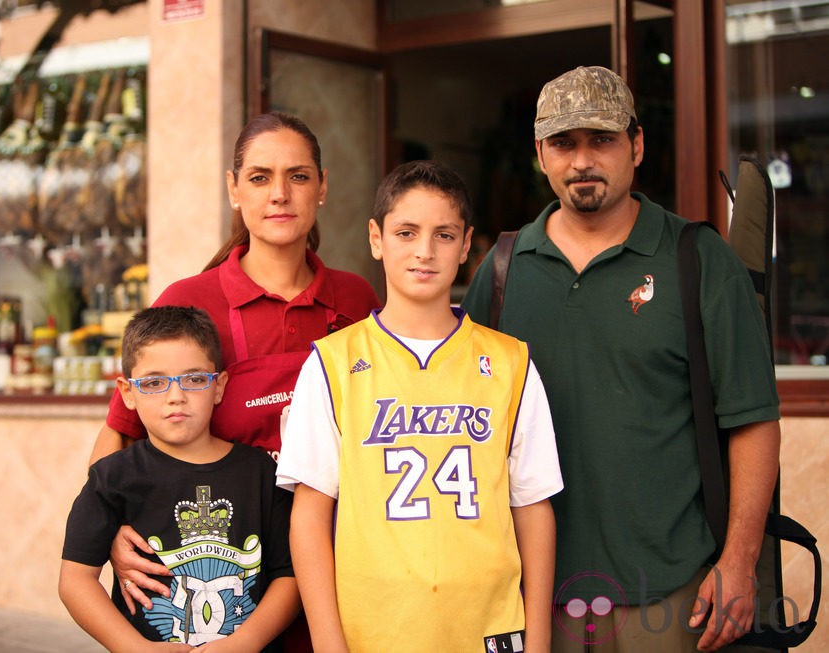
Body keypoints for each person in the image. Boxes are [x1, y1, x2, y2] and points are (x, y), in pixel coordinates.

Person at [461, 66, 781, 653]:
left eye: (601, 140)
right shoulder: (503, 272)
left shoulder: (699, 260)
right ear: (540, 153)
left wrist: (739, 561)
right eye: (564, 143)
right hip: (534, 592)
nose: (582, 160)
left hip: (669, 591)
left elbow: (754, 421)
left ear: (636, 145)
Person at [88, 112, 380, 644]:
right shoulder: (188, 300)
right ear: (234, 189)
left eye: (298, 176)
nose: (279, 195)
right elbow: (118, 432)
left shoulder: (357, 299)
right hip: (221, 582)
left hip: (342, 569)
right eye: (260, 177)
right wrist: (112, 536)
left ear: (322, 187)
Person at [277, 160, 564, 653]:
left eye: (444, 235)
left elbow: (533, 508)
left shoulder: (510, 362)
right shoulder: (333, 363)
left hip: (489, 629)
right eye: (406, 232)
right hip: (375, 633)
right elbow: (309, 515)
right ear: (376, 238)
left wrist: (537, 641)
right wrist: (328, 642)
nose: (424, 252)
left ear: (468, 245)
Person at [59, 306, 299, 652]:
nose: (176, 396)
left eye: (195, 379)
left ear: (219, 386)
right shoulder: (111, 478)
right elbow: (75, 580)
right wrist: (135, 648)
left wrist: (245, 643)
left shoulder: (261, 473)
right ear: (127, 392)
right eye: (154, 382)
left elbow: (288, 575)